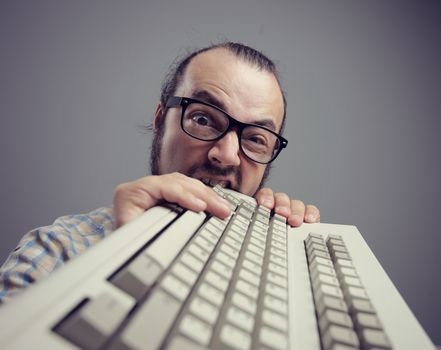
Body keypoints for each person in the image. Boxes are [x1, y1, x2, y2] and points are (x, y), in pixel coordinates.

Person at [0, 42, 320, 304]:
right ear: (159, 120)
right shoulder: (57, 248)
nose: (225, 155)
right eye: (203, 119)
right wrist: (125, 255)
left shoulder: (283, 275)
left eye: (255, 139)